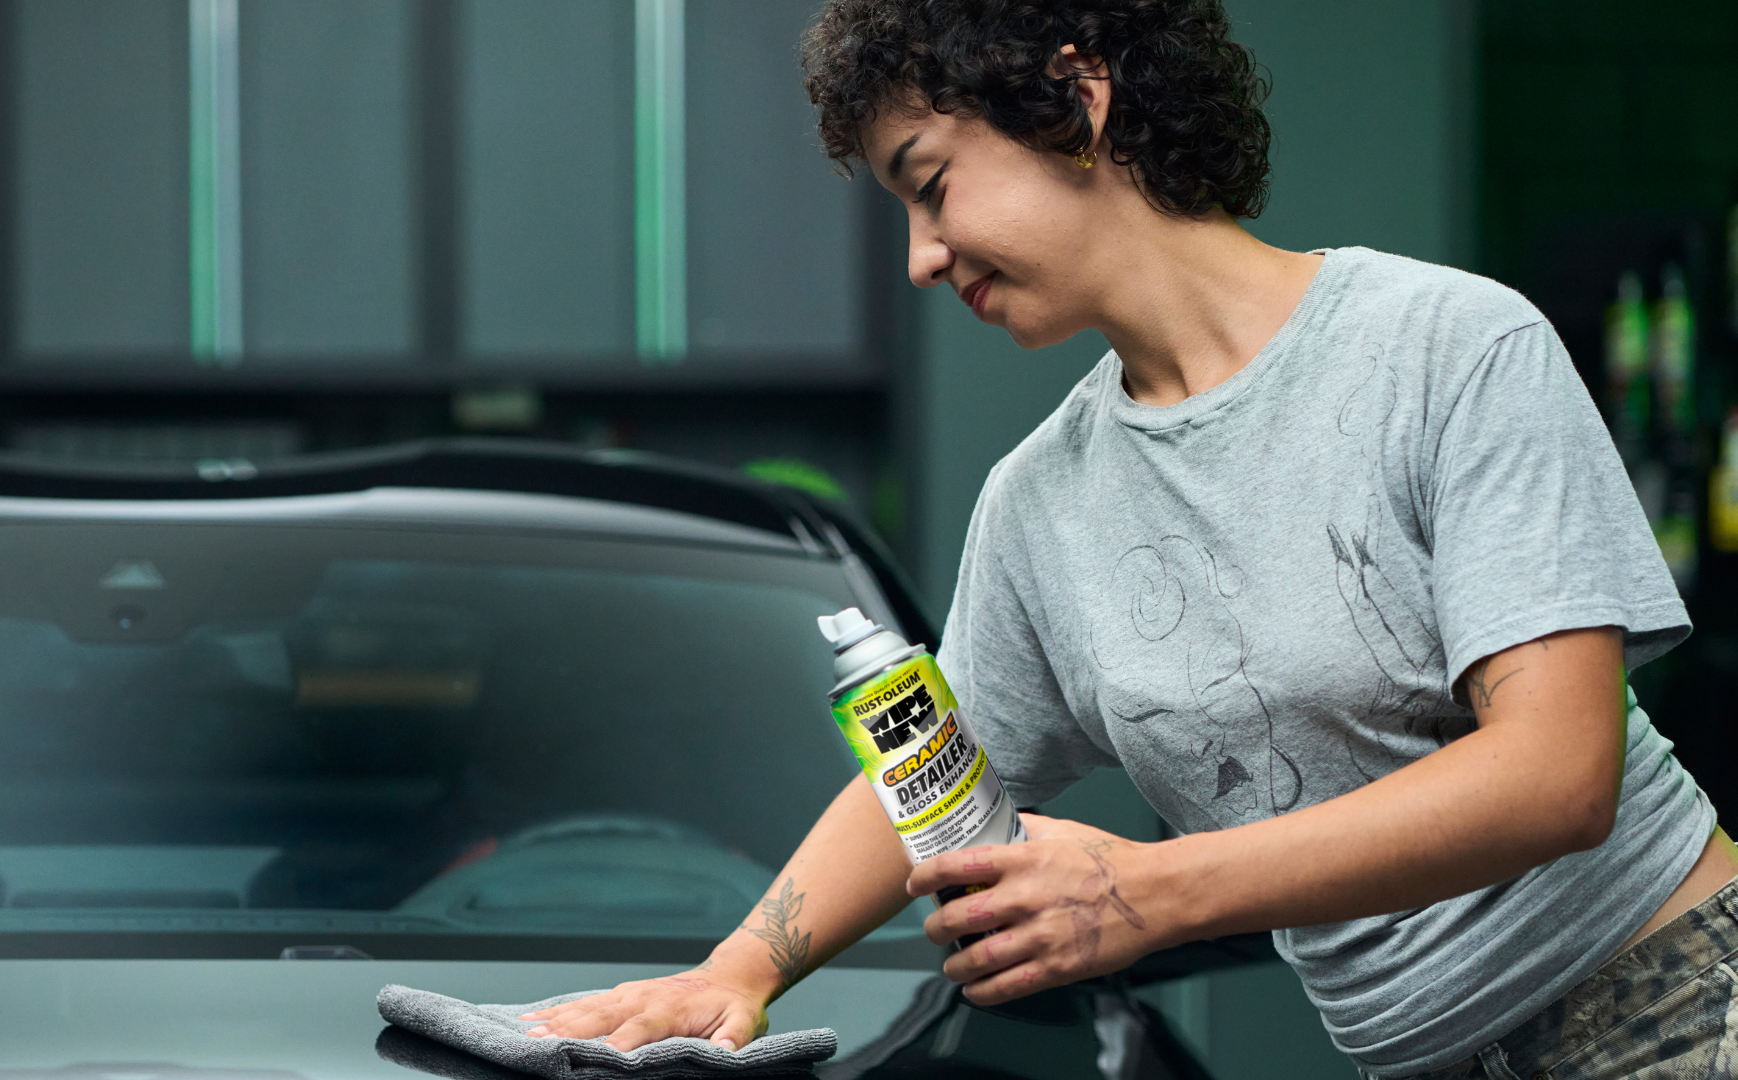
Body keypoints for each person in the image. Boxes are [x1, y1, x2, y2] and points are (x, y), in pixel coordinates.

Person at [519, 1, 1736, 1076]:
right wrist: (737, 970)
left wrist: (1146, 891)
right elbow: (931, 773)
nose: (921, 259)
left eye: (930, 184)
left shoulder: (1448, 347)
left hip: (1679, 1006)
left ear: (1074, 98)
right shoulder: (1037, 502)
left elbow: (1556, 776)